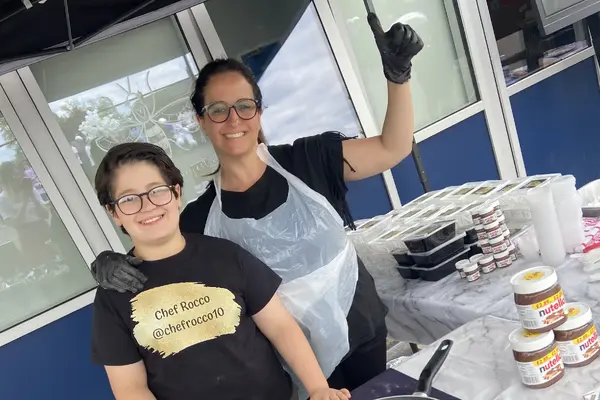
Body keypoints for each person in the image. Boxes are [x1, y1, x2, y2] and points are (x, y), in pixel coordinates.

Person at [91, 13, 423, 391]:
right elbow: (156, 247)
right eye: (218, 110)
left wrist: (398, 77)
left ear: (259, 111)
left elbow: (391, 148)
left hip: (360, 328)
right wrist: (107, 263)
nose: (233, 119)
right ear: (201, 120)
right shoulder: (200, 217)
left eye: (244, 105)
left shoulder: (308, 160)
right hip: (292, 359)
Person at [90, 142, 351, 400]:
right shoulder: (114, 295)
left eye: (156, 191)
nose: (147, 205)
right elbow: (129, 387)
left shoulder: (226, 255)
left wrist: (318, 387)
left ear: (177, 193)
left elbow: (281, 327)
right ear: (113, 212)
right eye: (128, 199)